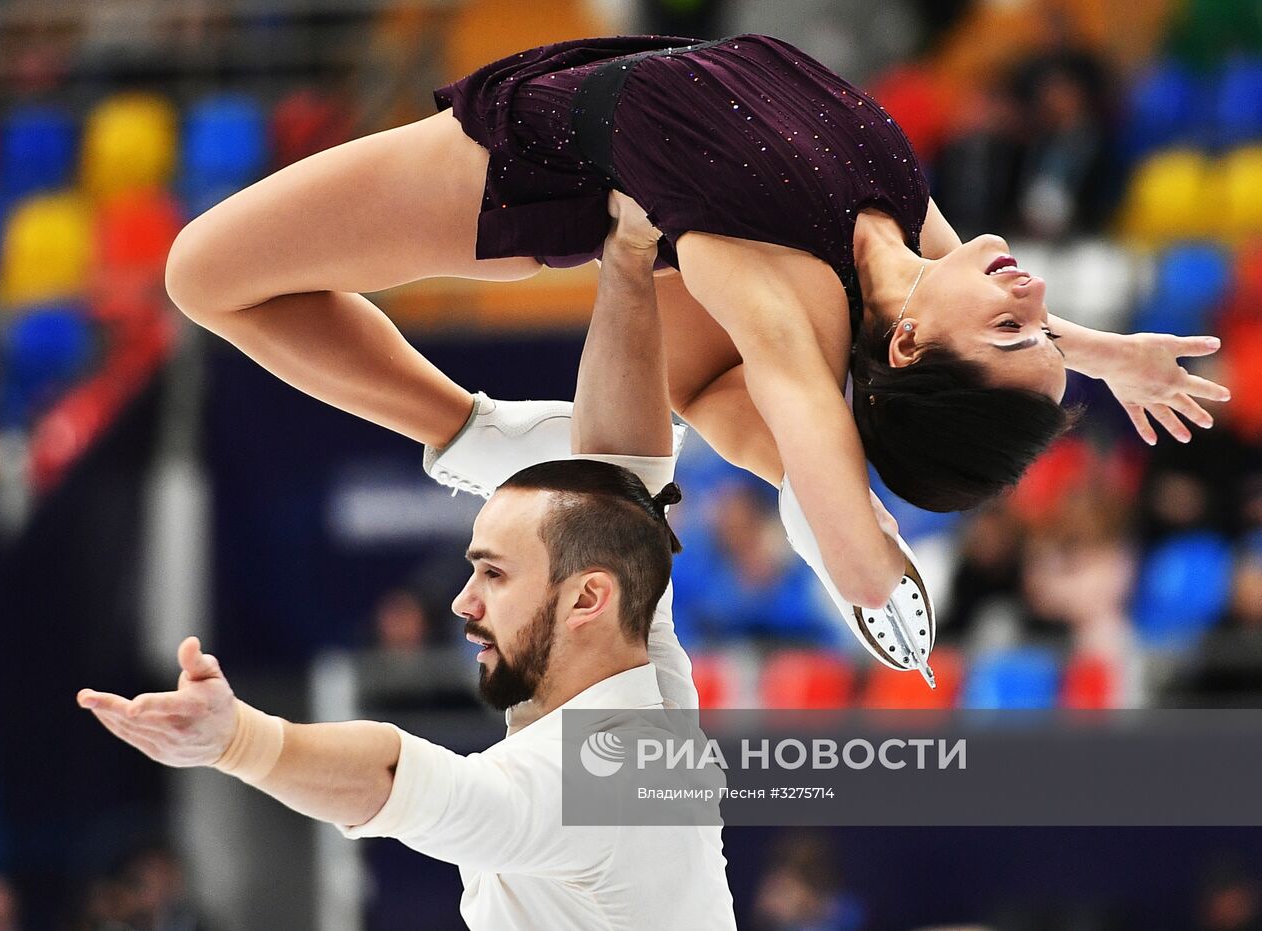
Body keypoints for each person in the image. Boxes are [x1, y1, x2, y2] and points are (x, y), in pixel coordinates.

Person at [164, 33, 1229, 615]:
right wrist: (1103, 355)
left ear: (908, 344)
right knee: (707, 390)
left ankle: (469, 433)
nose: (1034, 301)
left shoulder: (776, 282)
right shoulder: (911, 233)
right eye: (1038, 331)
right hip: (634, 113)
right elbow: (957, 343)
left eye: (1012, 333)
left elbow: (820, 416)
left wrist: (866, 564)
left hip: (530, 159)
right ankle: (772, 483)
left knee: (202, 274)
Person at [79, 193, 738, 930]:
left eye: (491, 571)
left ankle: (496, 442)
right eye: (482, 570)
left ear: (586, 600)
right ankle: (503, 445)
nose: (461, 602)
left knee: (204, 277)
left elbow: (398, 776)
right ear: (591, 599)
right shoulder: (631, 703)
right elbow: (633, 488)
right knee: (204, 275)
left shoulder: (609, 763)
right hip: (568, 441)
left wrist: (244, 740)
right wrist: (627, 256)